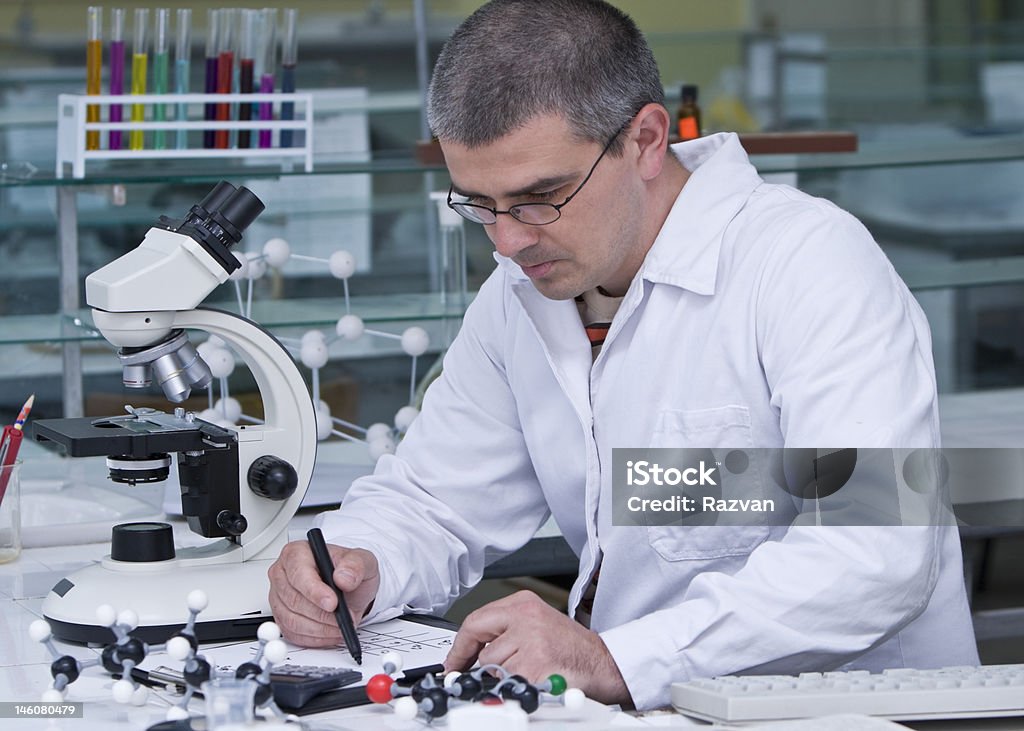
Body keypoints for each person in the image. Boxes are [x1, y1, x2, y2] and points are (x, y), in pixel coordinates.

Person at [268, 0, 978, 710]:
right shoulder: (520, 294)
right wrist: (359, 563)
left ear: (644, 139)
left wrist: (616, 655)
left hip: (849, 713)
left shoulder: (807, 264)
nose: (507, 242)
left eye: (540, 197)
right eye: (479, 205)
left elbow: (878, 551)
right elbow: (435, 501)